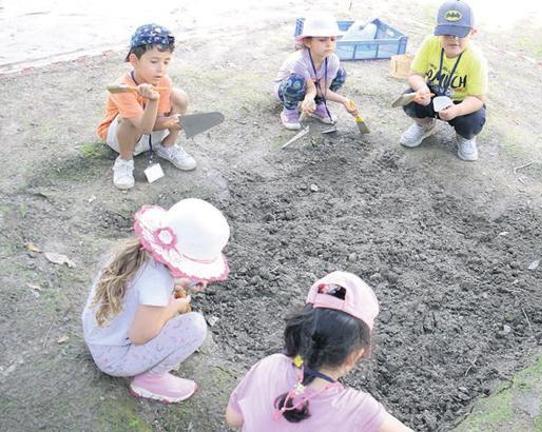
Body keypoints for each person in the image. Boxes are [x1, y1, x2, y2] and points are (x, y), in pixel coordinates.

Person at [82, 198, 230, 402]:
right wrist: (173, 306)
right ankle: (151, 380)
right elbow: (140, 336)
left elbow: (142, 289)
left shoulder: (135, 252)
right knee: (195, 327)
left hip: (99, 334)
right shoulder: (157, 284)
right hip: (114, 358)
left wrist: (182, 283)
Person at [225, 271, 413, 431]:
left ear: (301, 330)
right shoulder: (359, 409)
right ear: (355, 354)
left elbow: (233, 419)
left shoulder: (269, 365)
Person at [96, 23, 197, 190]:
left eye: (166, 62)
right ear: (134, 60)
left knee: (179, 96)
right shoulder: (122, 87)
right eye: (154, 61)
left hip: (151, 133)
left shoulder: (163, 80)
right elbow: (144, 127)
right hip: (122, 138)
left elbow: (158, 119)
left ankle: (167, 146)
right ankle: (125, 161)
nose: (161, 69)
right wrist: (154, 102)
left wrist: (170, 120)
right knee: (126, 119)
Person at [399, 0, 488, 161]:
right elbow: (414, 74)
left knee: (475, 119)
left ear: (472, 32)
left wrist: (457, 110)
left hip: (461, 102)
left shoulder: (476, 59)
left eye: (460, 34)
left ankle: (465, 137)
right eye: (447, 33)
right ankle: (425, 125)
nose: (453, 39)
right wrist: (421, 89)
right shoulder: (430, 43)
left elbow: (477, 98)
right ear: (438, 32)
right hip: (432, 95)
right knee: (409, 98)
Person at [274, 14, 359, 130]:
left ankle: (318, 105)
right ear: (308, 42)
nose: (329, 44)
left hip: (312, 87)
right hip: (288, 89)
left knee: (340, 73)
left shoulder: (333, 60)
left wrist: (345, 101)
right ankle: (289, 110)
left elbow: (322, 90)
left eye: (332, 39)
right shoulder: (299, 60)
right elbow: (311, 89)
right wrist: (309, 97)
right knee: (297, 80)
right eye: (322, 40)